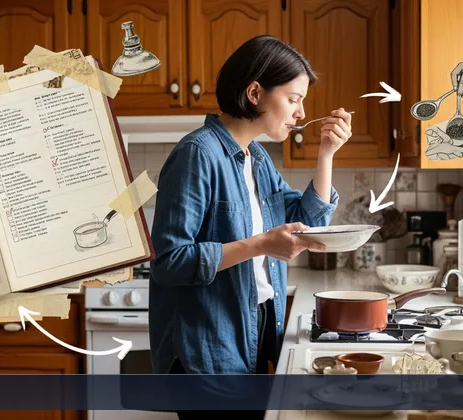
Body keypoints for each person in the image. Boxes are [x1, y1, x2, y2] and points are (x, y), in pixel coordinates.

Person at [148, 35, 352, 418]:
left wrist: (326, 153)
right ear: (255, 92)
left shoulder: (255, 157)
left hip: (254, 328)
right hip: (209, 344)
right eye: (293, 99)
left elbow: (306, 223)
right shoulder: (198, 154)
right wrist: (260, 245)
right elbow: (170, 262)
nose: (300, 113)